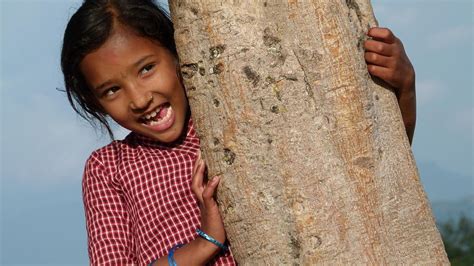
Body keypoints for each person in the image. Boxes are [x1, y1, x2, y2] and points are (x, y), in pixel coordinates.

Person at [60, 0, 416, 265]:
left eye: (147, 68)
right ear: (93, 100)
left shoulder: (234, 117)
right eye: (111, 90)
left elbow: (369, 172)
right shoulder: (109, 168)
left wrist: (403, 87)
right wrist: (205, 241)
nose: (139, 99)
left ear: (178, 52)